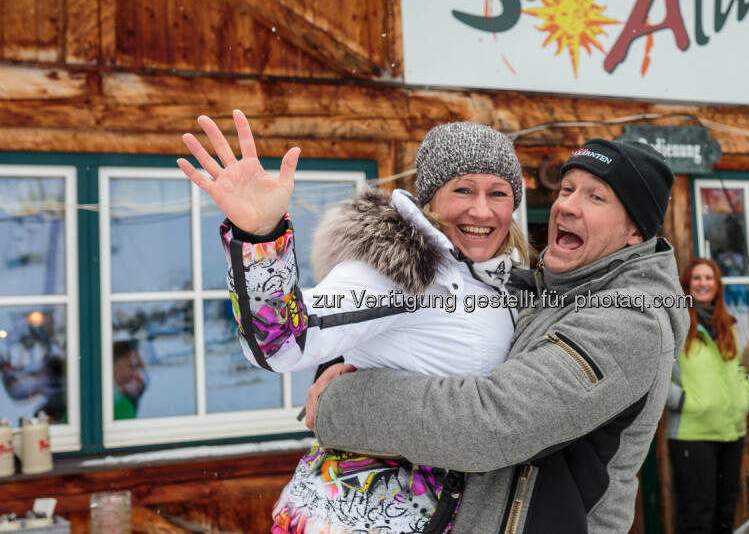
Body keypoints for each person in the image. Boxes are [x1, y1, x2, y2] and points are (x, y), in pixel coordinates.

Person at [304, 138, 688, 533]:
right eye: (568, 188)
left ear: (634, 232)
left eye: (596, 197)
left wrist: (340, 403)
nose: (567, 205)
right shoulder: (538, 292)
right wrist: (340, 362)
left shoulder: (630, 320)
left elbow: (488, 424)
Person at [178, 110, 530, 533]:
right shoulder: (401, 270)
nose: (481, 210)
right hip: (349, 517)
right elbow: (285, 342)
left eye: (498, 193)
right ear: (431, 197)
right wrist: (260, 237)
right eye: (463, 190)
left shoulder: (503, 281)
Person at [666, 258, 749, 534]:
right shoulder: (676, 322)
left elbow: (738, 368)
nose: (703, 284)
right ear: (687, 284)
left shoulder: (728, 324)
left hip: (731, 430)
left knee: (725, 511)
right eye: (697, 278)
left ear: (717, 286)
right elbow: (654, 372)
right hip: (693, 432)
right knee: (696, 515)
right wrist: (683, 401)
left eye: (709, 278)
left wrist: (744, 399)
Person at [112, 340, 147, 420]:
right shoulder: (122, 406)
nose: (137, 375)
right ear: (114, 364)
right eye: (132, 367)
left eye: (140, 369)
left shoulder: (121, 399)